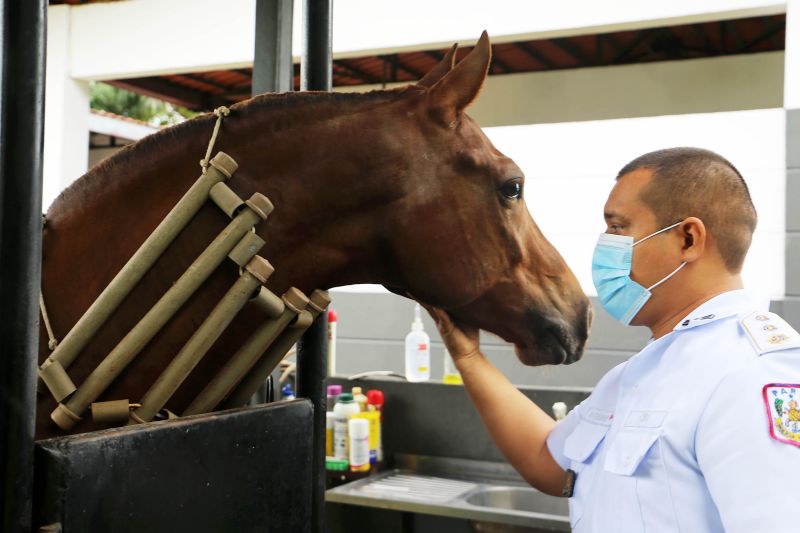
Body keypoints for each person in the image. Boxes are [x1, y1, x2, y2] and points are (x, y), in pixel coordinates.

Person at [423, 147, 800, 532]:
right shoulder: (640, 373)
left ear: (688, 239)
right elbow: (548, 461)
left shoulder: (750, 374)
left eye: (618, 227)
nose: (605, 244)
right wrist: (468, 356)